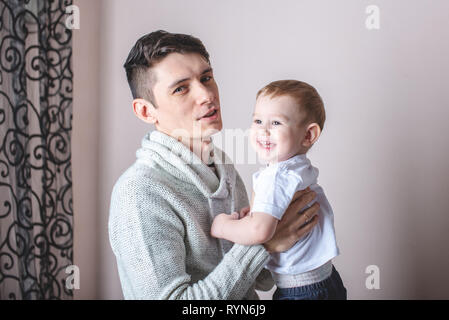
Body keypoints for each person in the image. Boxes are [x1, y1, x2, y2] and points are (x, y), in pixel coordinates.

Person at [108, 30, 320, 300]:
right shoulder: (138, 193)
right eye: (181, 88)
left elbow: (261, 281)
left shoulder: (221, 165)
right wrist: (263, 243)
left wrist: (288, 231)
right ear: (146, 111)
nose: (206, 94)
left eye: (206, 78)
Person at [211, 80, 347, 300]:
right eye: (257, 120)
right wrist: (259, 214)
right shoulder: (299, 169)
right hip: (327, 281)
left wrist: (223, 226)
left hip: (301, 292)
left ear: (308, 135)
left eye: (276, 123)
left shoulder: (276, 176)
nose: (263, 130)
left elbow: (259, 232)